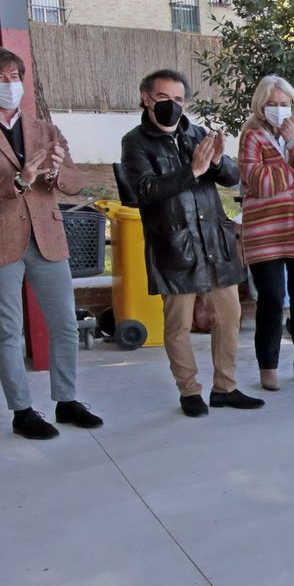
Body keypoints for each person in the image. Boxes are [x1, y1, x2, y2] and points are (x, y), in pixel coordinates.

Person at [0, 45, 101, 440]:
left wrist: (53, 175)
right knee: (8, 330)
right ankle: (22, 410)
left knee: (65, 324)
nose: (10, 84)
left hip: (46, 236)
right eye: (1, 78)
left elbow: (74, 179)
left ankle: (66, 401)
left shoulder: (44, 129)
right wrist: (18, 180)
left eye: (15, 77)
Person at [120, 69, 262, 418]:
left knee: (230, 316)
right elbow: (145, 192)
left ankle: (225, 388)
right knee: (178, 324)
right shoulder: (135, 142)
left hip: (214, 241)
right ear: (145, 97)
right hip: (175, 245)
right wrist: (192, 171)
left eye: (179, 99)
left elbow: (231, 177)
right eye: (164, 98)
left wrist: (216, 161)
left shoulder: (197, 134)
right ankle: (189, 391)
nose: (172, 106)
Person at [237, 75, 294, 391]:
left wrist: (293, 144)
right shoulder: (251, 136)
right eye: (272, 103)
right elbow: (259, 183)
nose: (279, 109)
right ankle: (268, 364)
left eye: (284, 103)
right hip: (266, 232)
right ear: (260, 105)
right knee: (272, 299)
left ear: (293, 105)